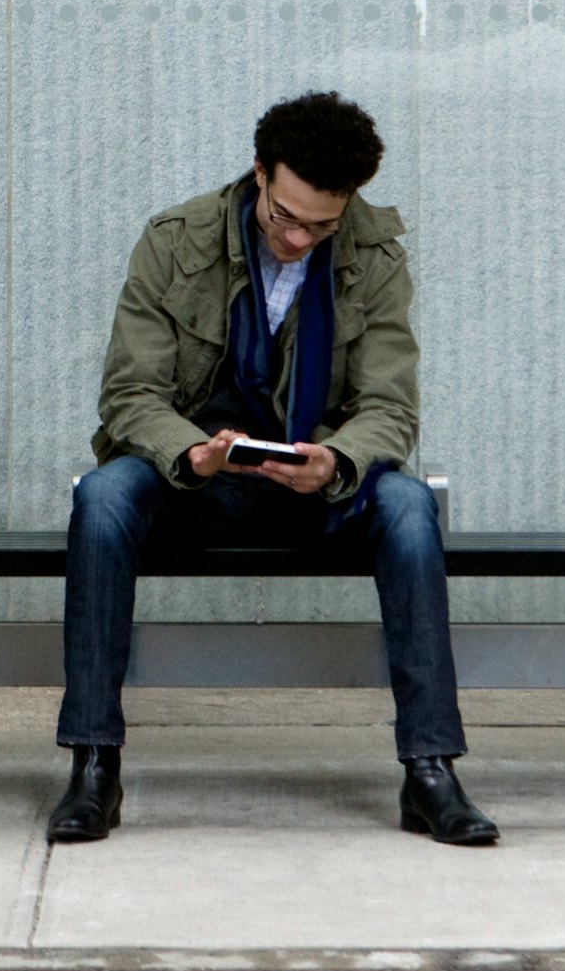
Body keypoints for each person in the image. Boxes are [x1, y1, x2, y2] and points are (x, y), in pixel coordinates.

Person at [48, 91, 494, 847]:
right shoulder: (174, 241)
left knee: (411, 509)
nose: (297, 238)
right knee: (103, 498)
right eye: (284, 215)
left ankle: (430, 772)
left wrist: (339, 460)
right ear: (259, 174)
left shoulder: (373, 257)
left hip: (314, 480)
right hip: (193, 475)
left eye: (320, 225)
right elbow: (130, 394)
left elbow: (390, 407)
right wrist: (190, 451)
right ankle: (94, 764)